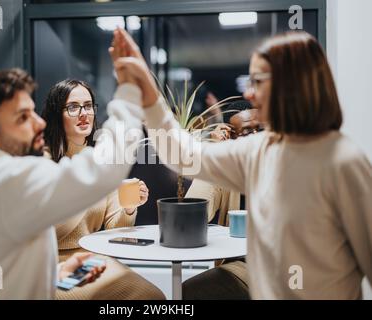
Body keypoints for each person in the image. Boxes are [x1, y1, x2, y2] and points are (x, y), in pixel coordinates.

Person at [112, 28, 372, 299]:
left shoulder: (342, 162)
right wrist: (146, 90)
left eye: (258, 81)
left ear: (291, 84)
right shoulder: (259, 150)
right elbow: (181, 154)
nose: (249, 93)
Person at [0, 49, 147, 298]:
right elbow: (102, 169)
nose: (40, 122)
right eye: (23, 117)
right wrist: (131, 89)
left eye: (33, 112)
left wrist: (58, 273)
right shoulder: (5, 178)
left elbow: (4, 266)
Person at [42, 79, 165, 300]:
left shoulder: (100, 159)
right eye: (73, 107)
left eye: (88, 106)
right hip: (52, 266)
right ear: (56, 114)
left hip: (92, 260)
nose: (83, 113)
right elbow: (52, 231)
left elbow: (114, 228)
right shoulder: (44, 162)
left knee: (152, 296)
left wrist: (128, 207)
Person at [183, 99, 259, 300]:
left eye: (259, 130)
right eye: (246, 132)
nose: (255, 138)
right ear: (230, 136)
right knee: (189, 292)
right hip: (242, 265)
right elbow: (190, 219)